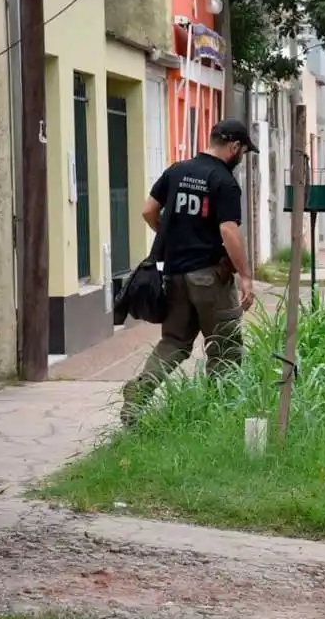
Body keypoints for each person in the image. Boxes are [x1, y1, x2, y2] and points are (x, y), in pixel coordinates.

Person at [120, 118, 258, 427]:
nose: (241, 158)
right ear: (235, 147)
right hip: (210, 278)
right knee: (225, 349)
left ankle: (137, 394)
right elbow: (228, 230)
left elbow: (148, 211)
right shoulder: (224, 181)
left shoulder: (176, 170)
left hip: (175, 276)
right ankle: (221, 419)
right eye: (243, 152)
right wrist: (245, 275)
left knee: (174, 342)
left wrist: (174, 238)